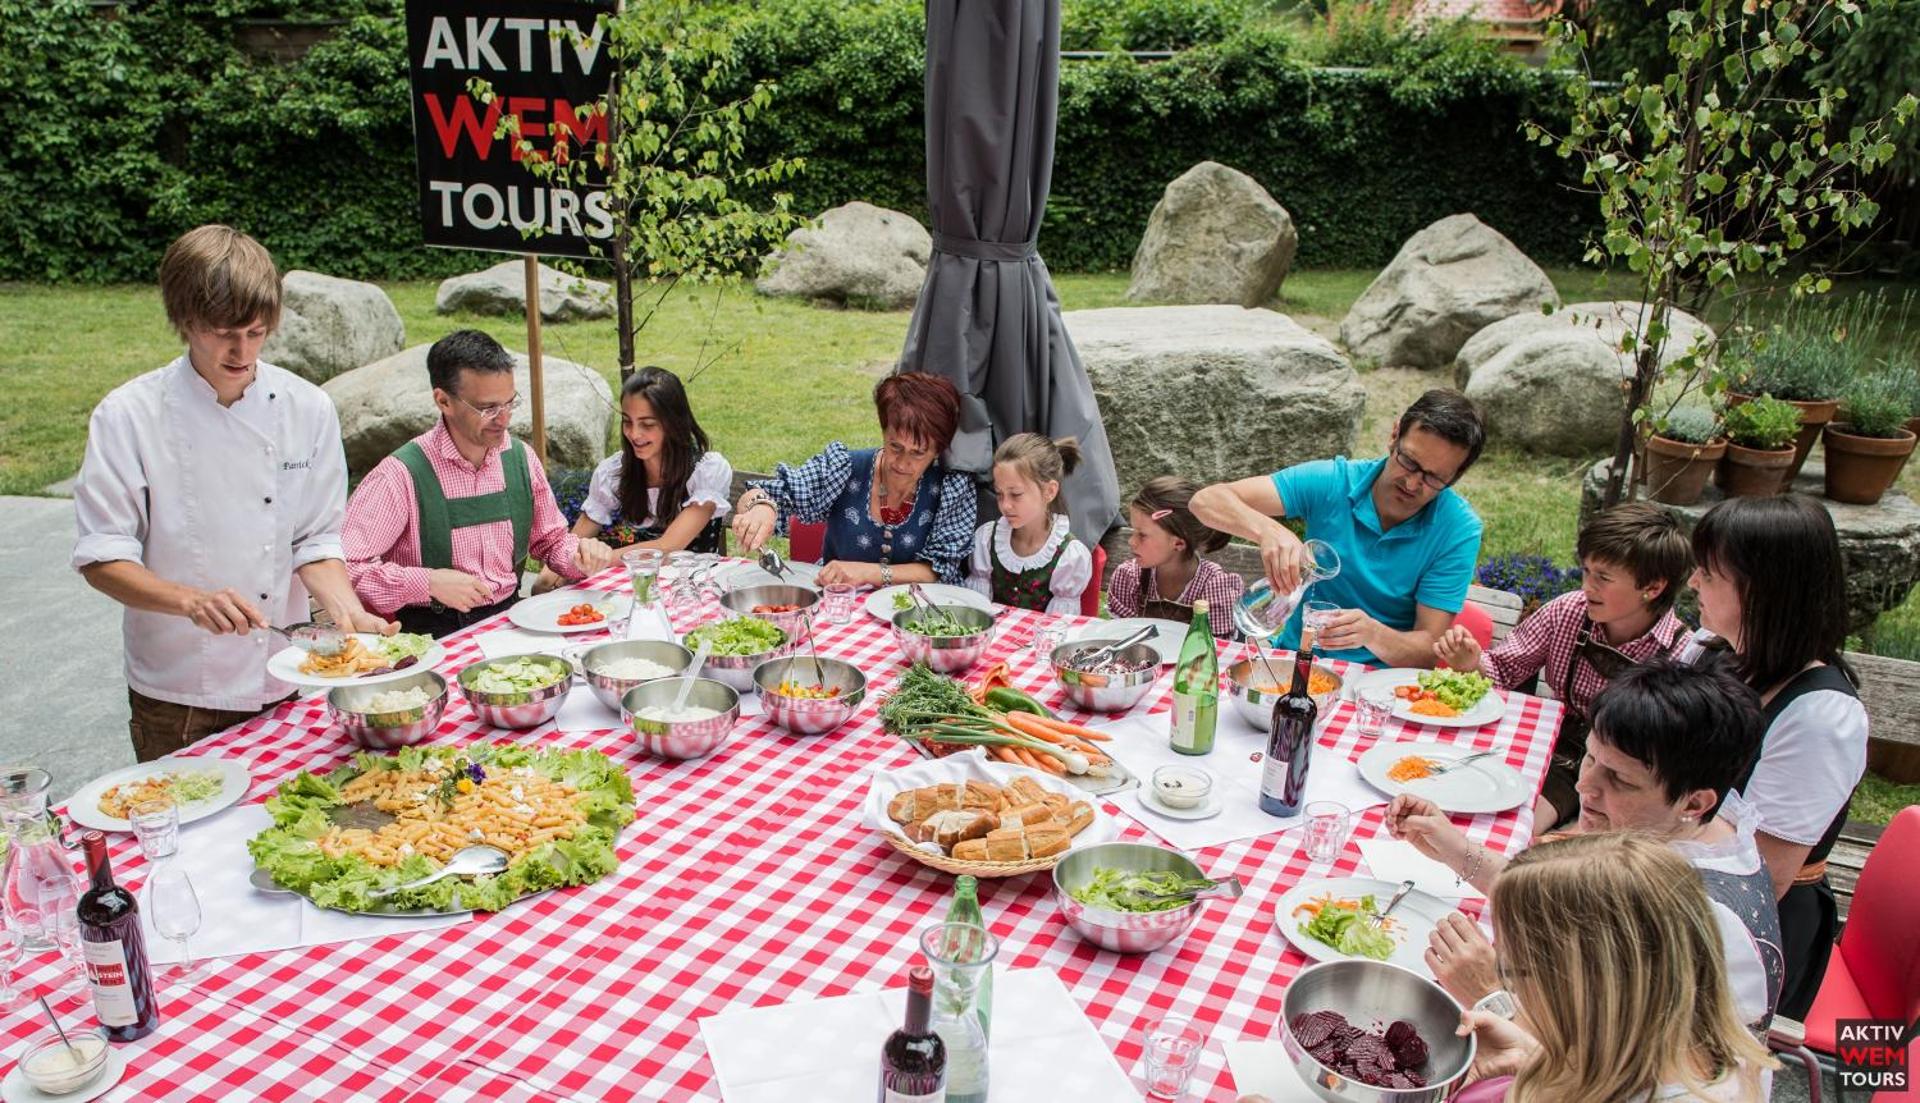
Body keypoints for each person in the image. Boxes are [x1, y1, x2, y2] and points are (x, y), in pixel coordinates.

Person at [72, 225, 394, 761]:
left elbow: (315, 540)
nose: (241, 350)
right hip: (180, 694)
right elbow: (102, 557)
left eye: (255, 331)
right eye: (223, 332)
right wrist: (190, 600)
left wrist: (348, 613)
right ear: (184, 321)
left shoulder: (307, 409)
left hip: (286, 678)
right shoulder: (129, 416)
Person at [1386, 660, 1782, 1030]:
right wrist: (1453, 847)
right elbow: (1558, 897)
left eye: (1620, 781)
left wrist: (1490, 995)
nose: (1584, 787)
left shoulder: (1684, 916)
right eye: (1590, 759)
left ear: (1695, 803)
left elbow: (1593, 1067)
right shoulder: (1692, 833)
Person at [1241, 836, 1775, 1103]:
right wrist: (1533, 1050)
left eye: (1516, 975)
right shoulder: (1670, 1051)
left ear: (1587, 992)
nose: (1510, 985)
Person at [1681, 494, 1867, 1021]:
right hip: (1672, 879)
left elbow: (1760, 881)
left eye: (1709, 574)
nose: (1693, 583)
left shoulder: (1821, 719)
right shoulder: (1715, 651)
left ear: (1762, 591)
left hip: (1740, 934)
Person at [1433, 503, 1693, 836]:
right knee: (1451, 792)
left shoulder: (1679, 655)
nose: (1587, 586)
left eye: (1603, 577)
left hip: (1609, 771)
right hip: (1546, 742)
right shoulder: (1569, 612)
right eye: (1586, 571)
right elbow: (1502, 670)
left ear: (1653, 588)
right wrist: (1472, 664)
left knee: (1516, 831)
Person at [342, 329, 618, 637]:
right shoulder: (400, 475)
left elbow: (551, 541)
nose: (503, 419)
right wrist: (428, 583)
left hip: (513, 621)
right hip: (431, 637)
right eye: (488, 408)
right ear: (443, 400)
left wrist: (579, 556)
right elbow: (346, 568)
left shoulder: (520, 458)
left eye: (509, 403)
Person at [1191, 389, 1485, 665]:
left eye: (1433, 478)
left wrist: (1373, 634)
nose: (1412, 483)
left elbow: (1429, 649)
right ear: (1394, 435)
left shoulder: (1458, 529)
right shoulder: (1334, 481)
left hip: (1380, 688)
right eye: (1408, 461)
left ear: (1456, 477)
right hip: (1295, 660)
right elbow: (1205, 501)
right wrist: (1267, 530)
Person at [731, 372, 976, 587]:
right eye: (895, 446)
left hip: (919, 618)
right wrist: (760, 508)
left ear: (938, 450)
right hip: (839, 611)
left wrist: (869, 573)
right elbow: (760, 494)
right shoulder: (845, 468)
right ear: (883, 431)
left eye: (918, 452)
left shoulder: (950, 487)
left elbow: (939, 570)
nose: (902, 463)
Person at [537, 367, 732, 591]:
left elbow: (668, 547)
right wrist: (547, 578)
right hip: (623, 594)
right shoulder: (613, 474)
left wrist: (598, 558)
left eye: (647, 424)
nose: (634, 434)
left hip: (688, 594)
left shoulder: (705, 471)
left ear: (674, 423)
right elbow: (576, 539)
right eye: (627, 421)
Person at [962, 433, 1093, 613]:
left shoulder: (1068, 557)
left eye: (1016, 494)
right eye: (999, 494)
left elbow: (1059, 628)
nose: (1005, 505)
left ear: (1049, 491)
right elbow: (976, 612)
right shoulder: (986, 541)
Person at [1106, 477, 1243, 638]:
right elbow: (1121, 638)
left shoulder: (1214, 587)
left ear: (1178, 544)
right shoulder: (1129, 578)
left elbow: (1215, 651)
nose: (1132, 541)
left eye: (1142, 535)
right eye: (1133, 531)